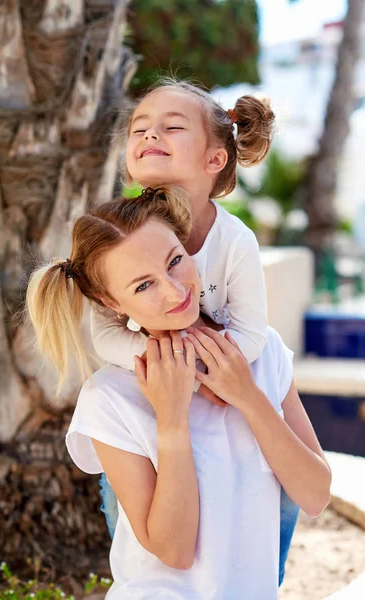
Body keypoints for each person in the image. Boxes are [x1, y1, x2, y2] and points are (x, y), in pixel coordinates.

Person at [26, 187, 331, 599]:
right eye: (143, 286)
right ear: (109, 301)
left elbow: (314, 495)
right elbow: (174, 550)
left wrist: (248, 396)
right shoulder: (109, 398)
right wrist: (171, 418)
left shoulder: (263, 353)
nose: (174, 290)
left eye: (175, 261)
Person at [90, 78, 298, 584]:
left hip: (228, 381)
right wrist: (165, 360)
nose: (148, 134)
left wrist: (206, 370)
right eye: (140, 128)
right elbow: (104, 335)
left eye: (171, 127)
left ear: (214, 160)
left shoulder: (234, 240)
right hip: (158, 390)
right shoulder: (119, 234)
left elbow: (252, 331)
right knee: (138, 510)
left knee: (281, 502)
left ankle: (261, 581)